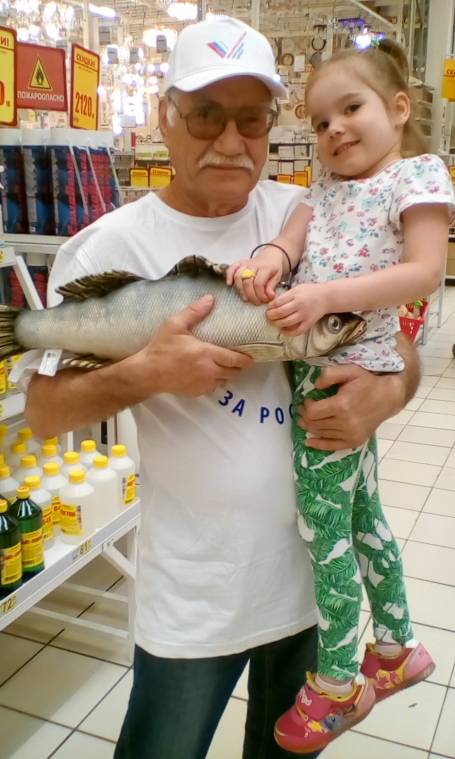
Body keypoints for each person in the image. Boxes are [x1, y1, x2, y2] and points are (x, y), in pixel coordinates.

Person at [21, 18, 421, 759]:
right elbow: (44, 412)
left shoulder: (313, 215)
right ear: (165, 116)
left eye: (251, 119)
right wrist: (147, 373)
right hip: (194, 593)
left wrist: (386, 395)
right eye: (206, 115)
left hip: (312, 581)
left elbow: (392, 340)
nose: (231, 141)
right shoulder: (108, 246)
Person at [228, 40, 455, 755]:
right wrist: (270, 259)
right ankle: (394, 646)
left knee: (323, 531)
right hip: (325, 368)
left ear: (398, 107)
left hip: (346, 371)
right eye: (320, 121)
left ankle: (335, 682)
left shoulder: (415, 176)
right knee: (362, 517)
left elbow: (424, 270)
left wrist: (324, 296)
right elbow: (288, 241)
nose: (334, 131)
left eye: (350, 108)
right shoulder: (321, 188)